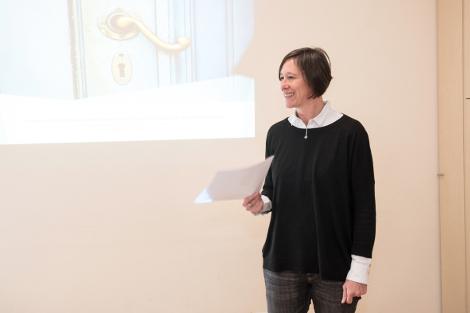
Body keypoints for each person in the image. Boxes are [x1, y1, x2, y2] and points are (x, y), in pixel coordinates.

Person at [242, 47, 376, 313]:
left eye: (290, 77)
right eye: (281, 78)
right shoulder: (277, 133)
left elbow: (364, 207)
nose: (283, 85)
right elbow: (271, 189)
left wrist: (359, 271)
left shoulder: (351, 133)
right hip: (282, 265)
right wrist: (262, 204)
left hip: (336, 269)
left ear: (314, 79)